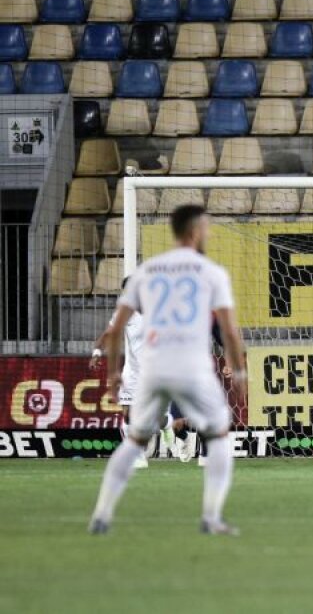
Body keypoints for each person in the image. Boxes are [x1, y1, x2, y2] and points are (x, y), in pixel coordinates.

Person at [88, 204, 247, 535]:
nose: (210, 232)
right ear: (195, 231)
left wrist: (113, 374)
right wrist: (239, 370)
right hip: (190, 365)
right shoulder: (211, 272)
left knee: (133, 440)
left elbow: (116, 329)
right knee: (218, 436)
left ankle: (102, 514)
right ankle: (211, 517)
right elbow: (229, 331)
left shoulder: (147, 272)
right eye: (207, 227)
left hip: (153, 369)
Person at [90, 279, 149, 469]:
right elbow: (109, 333)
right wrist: (97, 352)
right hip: (133, 372)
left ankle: (165, 429)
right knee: (128, 414)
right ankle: (137, 454)